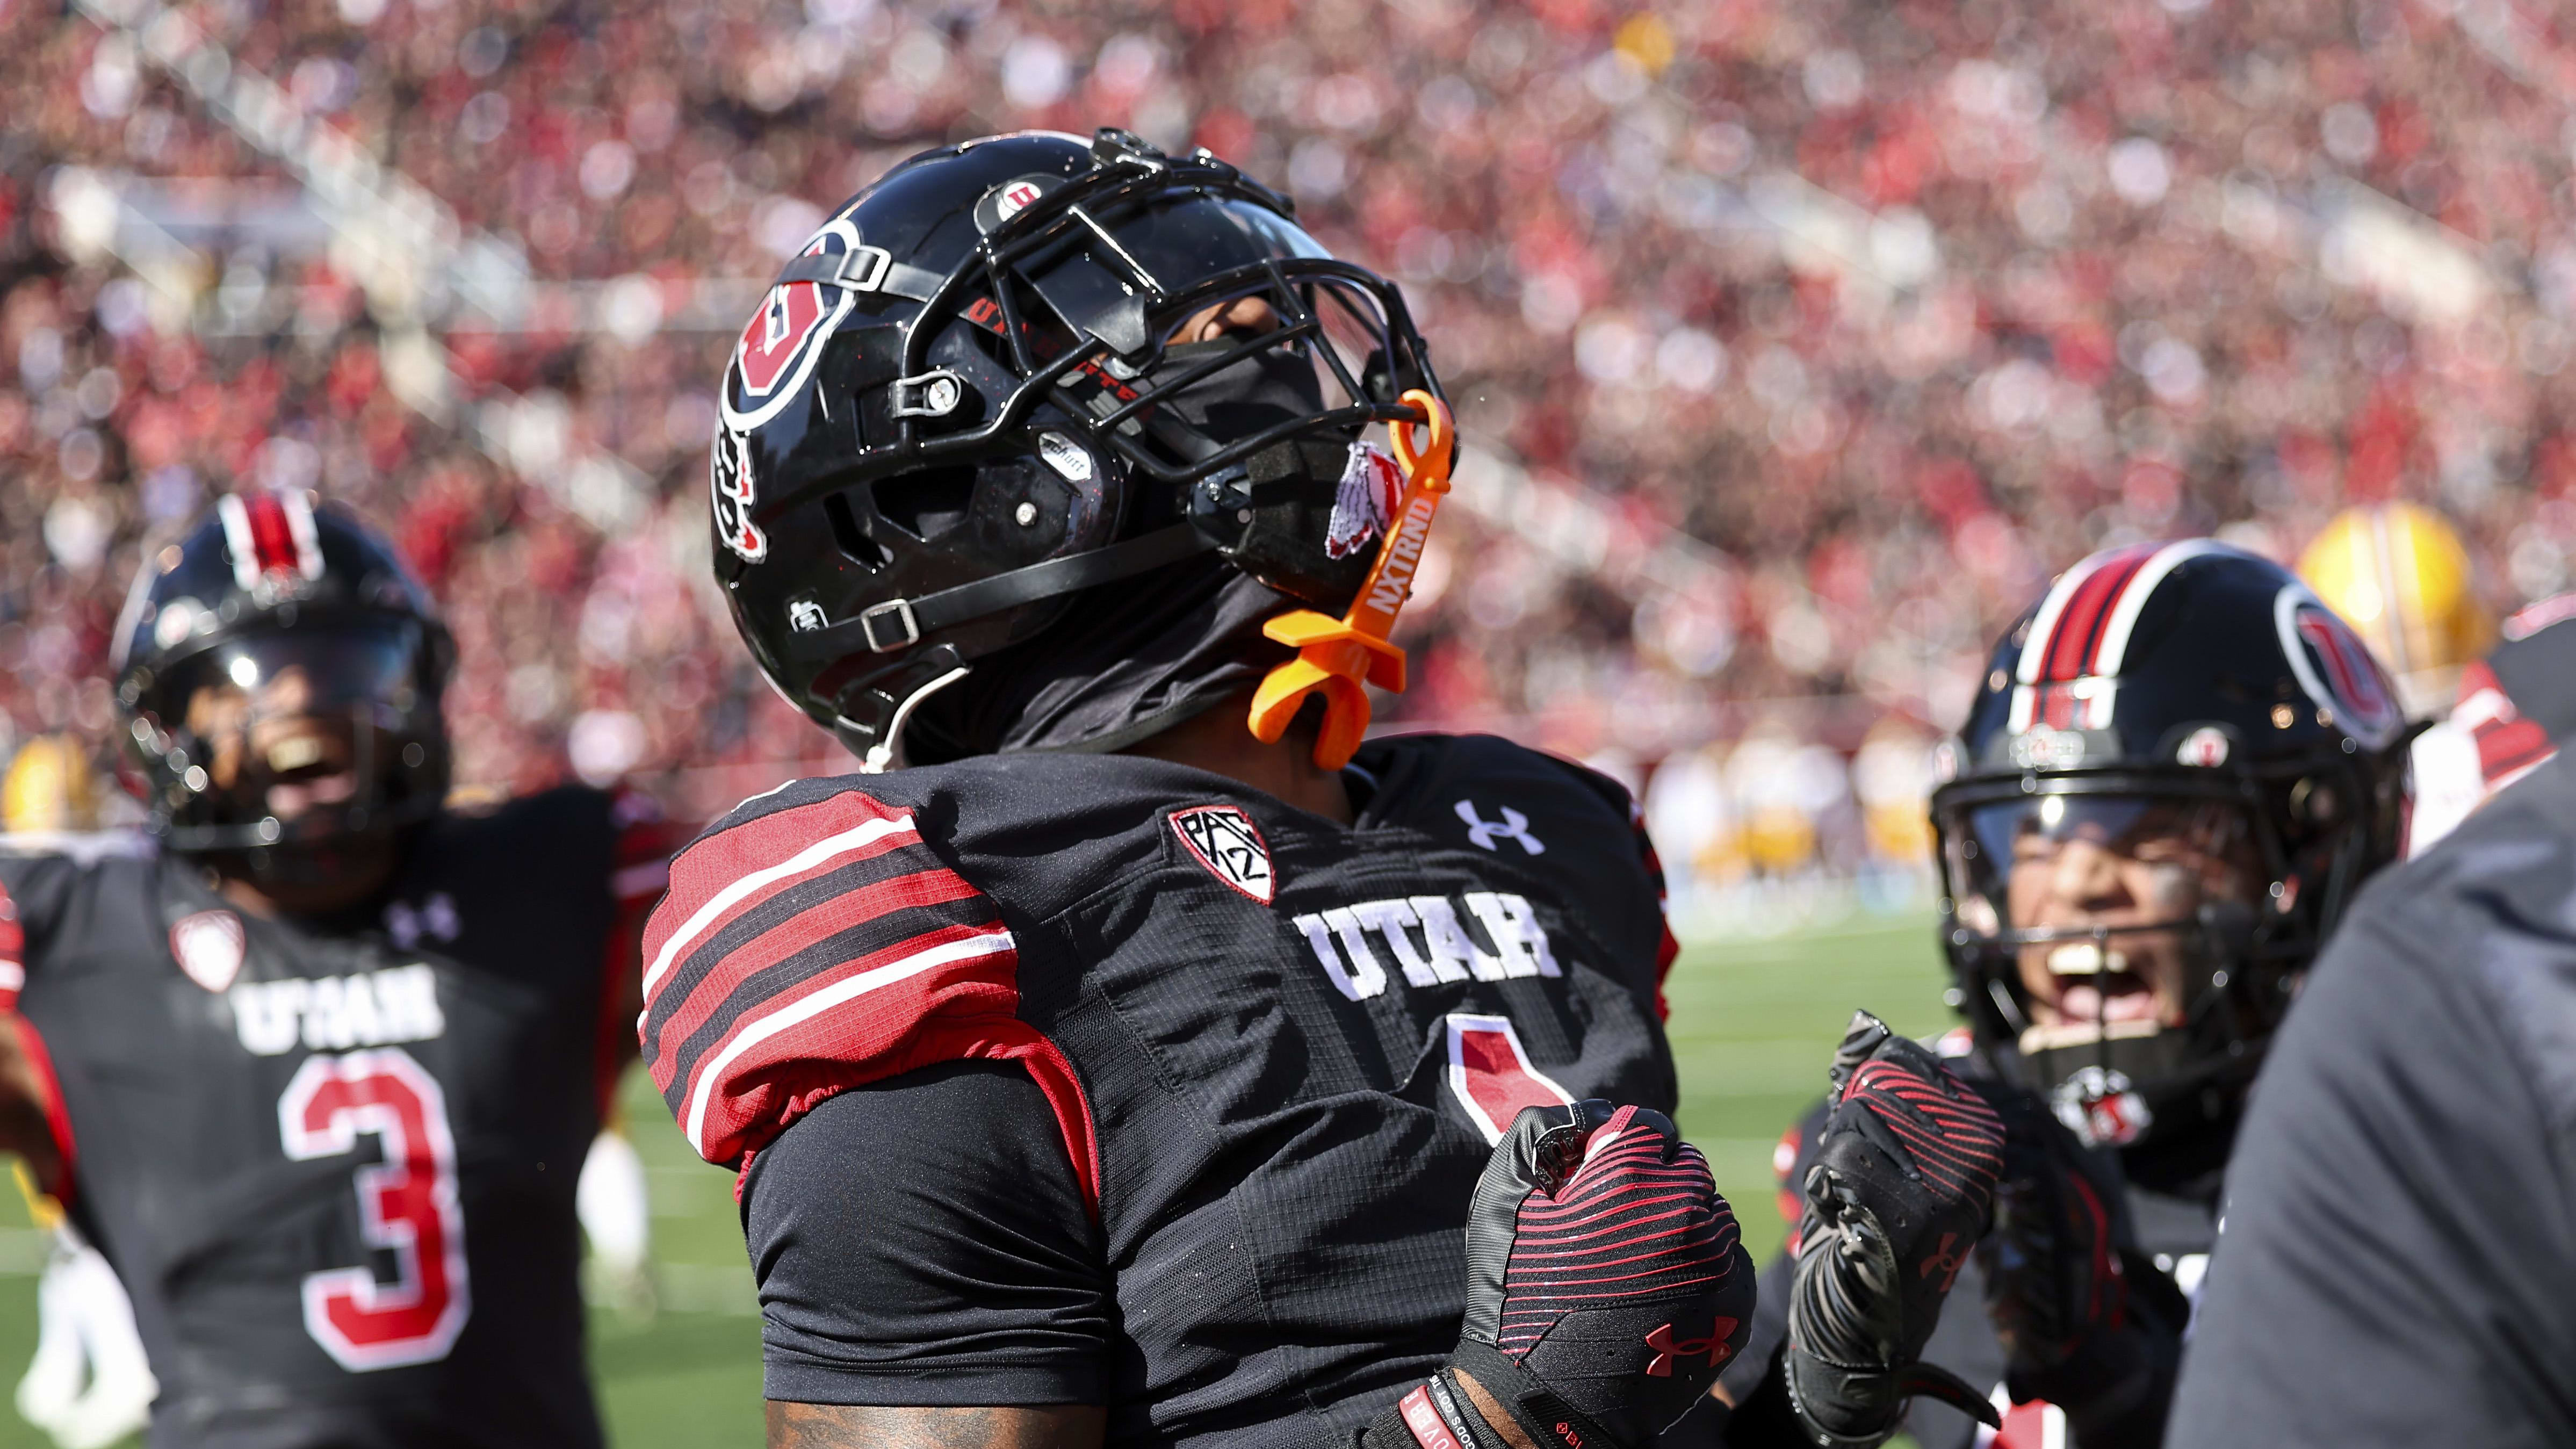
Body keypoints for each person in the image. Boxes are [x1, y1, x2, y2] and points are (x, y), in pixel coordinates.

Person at [641, 127, 2005, 1449]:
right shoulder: (960, 917)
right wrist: (1477, 1429)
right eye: (1217, 355)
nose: (1306, 370)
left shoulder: (1531, 832)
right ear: (956, 498)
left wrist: (1802, 1380)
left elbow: (1621, 1394)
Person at [0, 489, 682, 1446]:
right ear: (160, 727)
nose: (299, 711)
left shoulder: (564, 872)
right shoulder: (66, 939)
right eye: (240, 687)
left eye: (339, 667)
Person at [1713, 540, 2414, 1449]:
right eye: (2031, 840)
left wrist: (2123, 1391)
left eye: (2154, 833)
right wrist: (1800, 1406)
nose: (2073, 886)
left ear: (2314, 860)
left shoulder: (2420, 1153)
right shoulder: (1946, 1157)